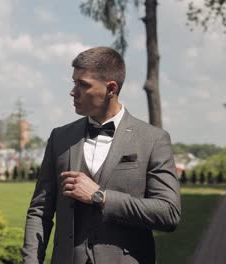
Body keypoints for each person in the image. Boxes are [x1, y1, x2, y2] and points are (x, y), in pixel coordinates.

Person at [22, 47, 181, 264]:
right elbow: (40, 210)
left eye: (83, 84)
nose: (73, 91)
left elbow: (168, 213)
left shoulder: (153, 139)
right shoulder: (60, 137)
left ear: (111, 89)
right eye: (73, 82)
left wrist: (101, 197)